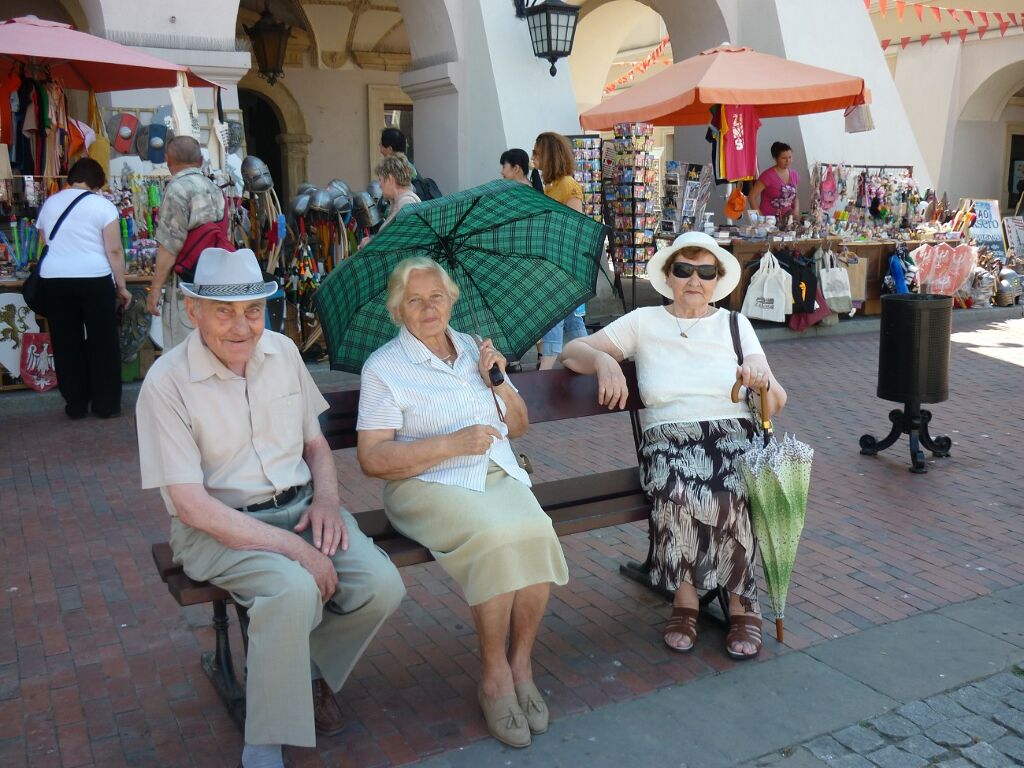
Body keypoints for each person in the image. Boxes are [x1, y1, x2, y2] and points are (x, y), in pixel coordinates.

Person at [136, 247, 405, 768]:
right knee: (293, 589)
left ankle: (300, 671)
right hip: (217, 528)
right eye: (224, 312)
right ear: (192, 311)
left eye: (253, 310)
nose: (242, 327)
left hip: (301, 508)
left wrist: (327, 499)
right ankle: (264, 744)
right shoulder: (166, 383)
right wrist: (296, 551)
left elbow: (316, 446)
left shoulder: (282, 352)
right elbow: (191, 507)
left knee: (381, 586)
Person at [357, 257, 569, 749]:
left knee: (536, 532)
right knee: (496, 538)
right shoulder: (384, 367)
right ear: (397, 309)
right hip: (423, 484)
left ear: (452, 300)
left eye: (436, 297)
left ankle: (521, 665)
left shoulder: (476, 348)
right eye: (414, 300)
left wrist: (496, 379)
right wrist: (449, 445)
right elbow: (372, 458)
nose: (428, 307)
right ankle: (494, 676)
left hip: (494, 472)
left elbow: (518, 426)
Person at [559, 232, 788, 661]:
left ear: (717, 280)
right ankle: (685, 600)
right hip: (667, 438)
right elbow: (571, 351)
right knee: (675, 490)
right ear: (669, 276)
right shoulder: (644, 322)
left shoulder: (735, 325)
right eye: (684, 270)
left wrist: (761, 376)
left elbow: (775, 402)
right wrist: (605, 359)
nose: (694, 280)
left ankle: (741, 602)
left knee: (734, 491)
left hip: (731, 433)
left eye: (706, 272)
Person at [36, 157, 132, 419]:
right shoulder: (102, 206)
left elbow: (45, 240)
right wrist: (121, 285)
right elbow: (114, 249)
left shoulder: (50, 203)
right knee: (103, 341)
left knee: (66, 341)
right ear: (96, 182)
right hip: (94, 277)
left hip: (54, 278)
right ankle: (106, 404)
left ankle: (75, 404)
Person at [147, 136, 228, 350]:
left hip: (186, 285)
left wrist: (155, 288)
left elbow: (169, 246)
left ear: (168, 160)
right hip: (214, 280)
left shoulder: (177, 190)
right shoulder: (215, 189)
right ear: (200, 160)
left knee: (184, 352)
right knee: (212, 348)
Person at [532, 132, 588, 370]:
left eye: (536, 152)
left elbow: (575, 227)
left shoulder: (566, 185)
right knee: (573, 322)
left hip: (563, 263)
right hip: (557, 262)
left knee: (553, 315)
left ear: (548, 155)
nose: (533, 157)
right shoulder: (551, 186)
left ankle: (545, 370)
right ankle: (589, 365)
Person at [359, 153, 421, 248]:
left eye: (381, 180)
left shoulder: (406, 204)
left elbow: (399, 245)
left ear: (390, 179)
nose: (380, 185)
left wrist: (369, 245)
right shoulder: (399, 202)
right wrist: (372, 241)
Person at [750, 141, 800, 223]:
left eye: (790, 157)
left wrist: (796, 210)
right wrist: (760, 219)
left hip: (788, 219)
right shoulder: (767, 176)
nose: (788, 161)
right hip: (769, 220)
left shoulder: (794, 174)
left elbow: (795, 196)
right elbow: (751, 197)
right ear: (776, 158)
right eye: (784, 158)